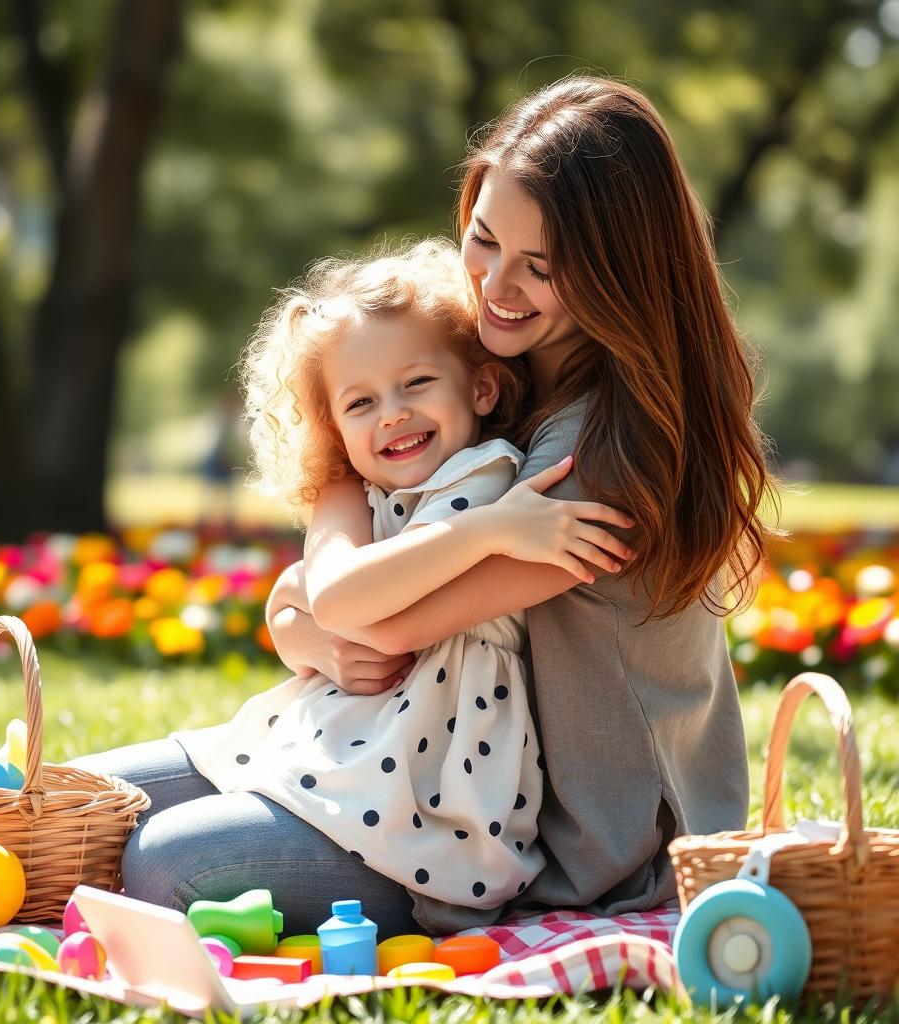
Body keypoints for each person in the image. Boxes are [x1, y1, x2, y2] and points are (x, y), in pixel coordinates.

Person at [265, 75, 776, 934]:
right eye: (483, 240)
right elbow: (337, 582)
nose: (495, 284)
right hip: (412, 768)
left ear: (619, 274)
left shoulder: (598, 453)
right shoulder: (501, 376)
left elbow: (387, 622)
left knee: (161, 861)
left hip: (587, 845)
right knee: (110, 799)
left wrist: (313, 602)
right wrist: (303, 620)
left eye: (539, 267)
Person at [69, 238, 632, 934]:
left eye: (416, 383)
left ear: (481, 386)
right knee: (72, 798)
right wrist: (299, 620)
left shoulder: (484, 477)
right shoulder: (365, 494)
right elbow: (330, 598)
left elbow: (339, 596)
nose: (392, 413)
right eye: (360, 401)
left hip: (418, 826)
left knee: (159, 864)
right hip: (313, 751)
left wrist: (475, 530)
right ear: (334, 426)